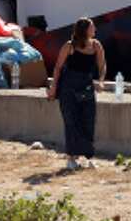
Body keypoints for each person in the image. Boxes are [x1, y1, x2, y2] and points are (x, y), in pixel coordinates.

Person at [47, 17, 106, 170]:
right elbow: (58, 68)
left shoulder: (96, 45)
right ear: (85, 29)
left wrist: (101, 80)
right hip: (68, 87)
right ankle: (71, 157)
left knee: (88, 120)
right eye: (92, 27)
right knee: (71, 121)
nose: (95, 29)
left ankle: (89, 157)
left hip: (86, 86)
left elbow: (102, 65)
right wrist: (53, 87)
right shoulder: (69, 46)